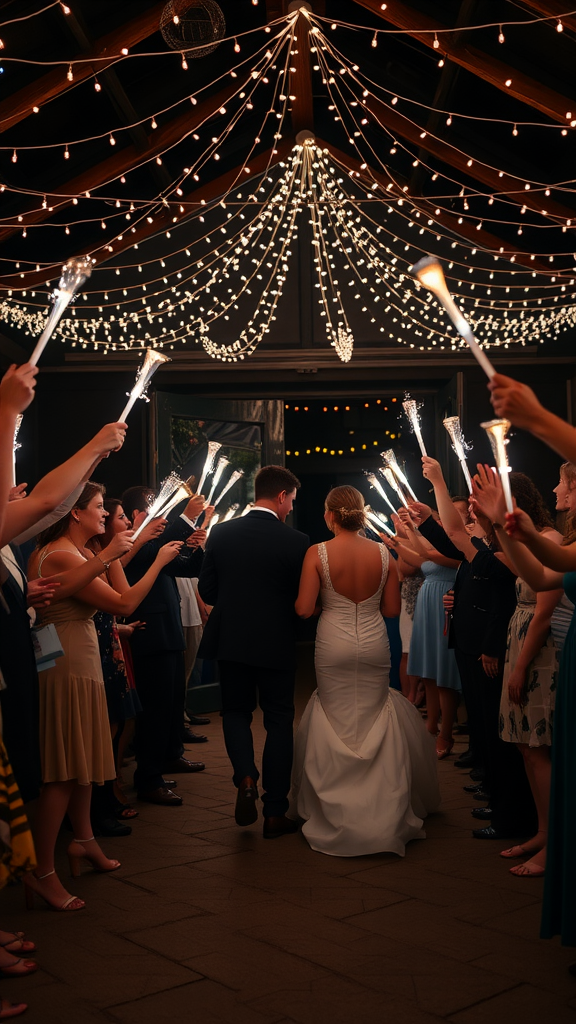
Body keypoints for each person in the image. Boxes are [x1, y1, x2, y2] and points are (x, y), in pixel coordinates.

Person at [25, 482, 182, 913]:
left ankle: (85, 841)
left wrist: (121, 547)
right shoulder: (58, 553)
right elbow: (126, 605)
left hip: (82, 662)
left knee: (83, 767)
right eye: (98, 507)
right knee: (63, 770)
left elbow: (117, 588)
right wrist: (157, 562)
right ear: (74, 514)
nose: (105, 513)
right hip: (67, 667)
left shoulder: (83, 552)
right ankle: (42, 872)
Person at [291, 485, 439, 857]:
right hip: (373, 643)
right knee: (375, 712)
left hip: (333, 644)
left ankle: (335, 805)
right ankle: (382, 808)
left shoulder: (317, 553)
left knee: (336, 713)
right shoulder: (383, 553)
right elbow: (391, 610)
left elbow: (305, 609)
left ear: (330, 515)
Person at [198, 465, 309, 838]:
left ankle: (245, 776)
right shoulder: (297, 541)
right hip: (276, 641)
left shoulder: (222, 533)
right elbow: (302, 600)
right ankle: (275, 812)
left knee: (234, 712)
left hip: (231, 640)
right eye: (291, 500)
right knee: (279, 720)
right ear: (281, 496)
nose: (291, 508)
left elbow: (209, 591)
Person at [472, 465, 564, 878]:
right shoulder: (531, 542)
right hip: (520, 641)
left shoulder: (552, 540)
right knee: (526, 746)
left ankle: (556, 839)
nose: (559, 487)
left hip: (539, 653)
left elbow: (544, 611)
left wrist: (519, 667)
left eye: (566, 481)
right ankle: (543, 831)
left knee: (539, 747)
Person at [121, 485, 207, 806]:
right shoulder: (130, 543)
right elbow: (141, 561)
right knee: (155, 707)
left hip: (168, 625)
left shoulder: (150, 542)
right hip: (148, 630)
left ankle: (171, 755)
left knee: (172, 701)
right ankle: (149, 778)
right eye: (153, 508)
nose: (160, 515)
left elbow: (184, 568)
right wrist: (182, 521)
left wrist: (195, 548)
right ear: (136, 515)